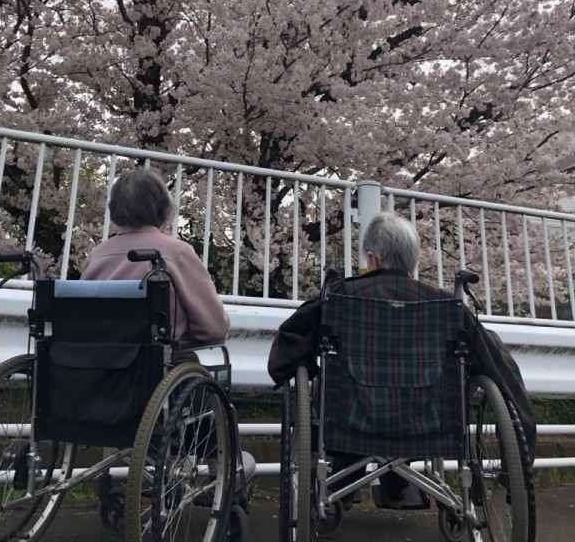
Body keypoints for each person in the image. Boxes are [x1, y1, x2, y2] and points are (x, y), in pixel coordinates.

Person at [268, 212, 536, 509]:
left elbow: (289, 342)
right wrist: (519, 460)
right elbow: (500, 368)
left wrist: (292, 368)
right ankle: (395, 488)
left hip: (351, 420)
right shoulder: (446, 306)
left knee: (345, 387)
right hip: (425, 423)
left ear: (372, 259)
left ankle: (341, 486)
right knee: (411, 394)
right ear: (413, 260)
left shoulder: (340, 296)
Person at [82, 167, 230, 347]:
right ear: (164, 208)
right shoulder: (177, 253)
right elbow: (214, 329)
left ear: (113, 209)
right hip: (160, 359)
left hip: (100, 360)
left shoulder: (96, 255)